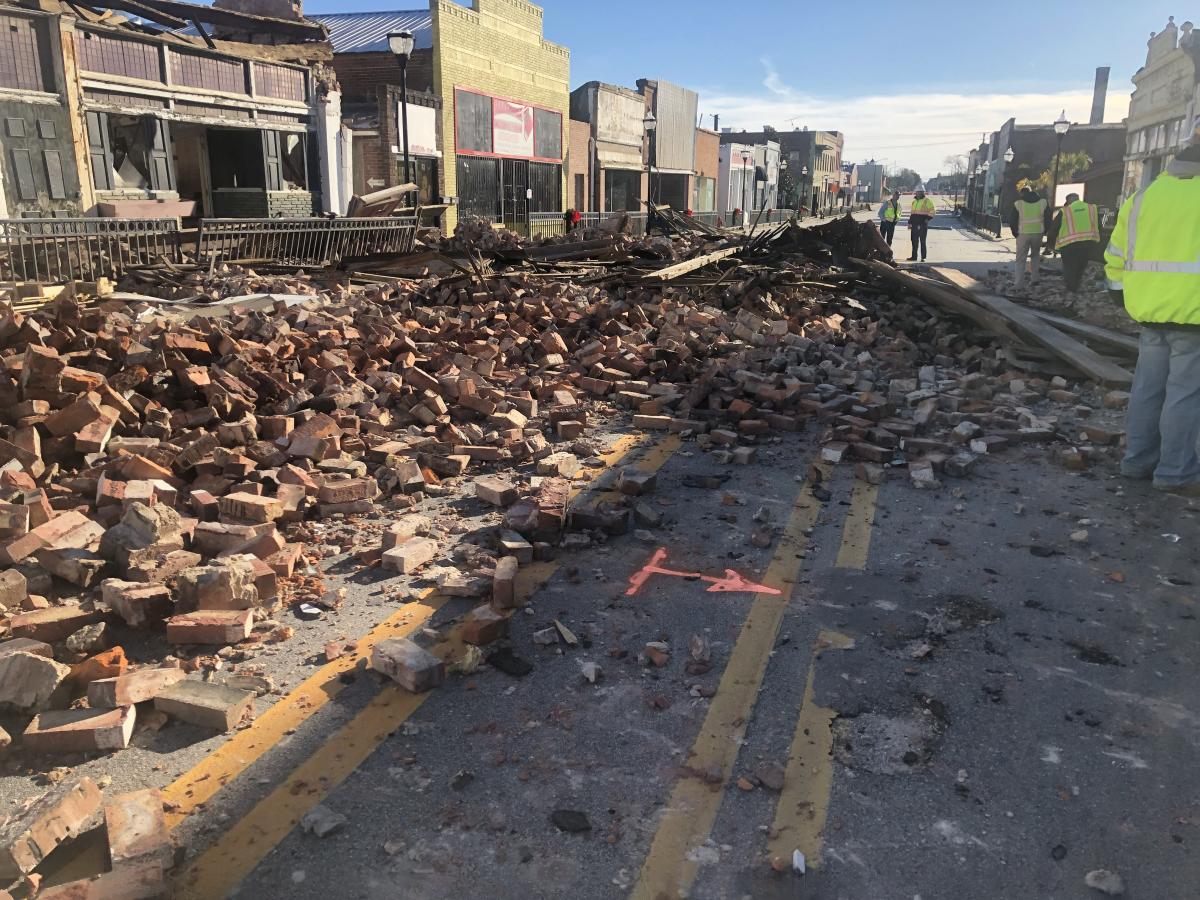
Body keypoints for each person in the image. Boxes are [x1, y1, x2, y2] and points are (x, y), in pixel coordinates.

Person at [1105, 120, 1200, 496]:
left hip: (1148, 311)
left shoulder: (1142, 198)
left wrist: (1120, 294)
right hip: (1193, 315)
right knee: (1184, 393)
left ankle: (1137, 461)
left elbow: (1115, 255)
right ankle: (1174, 472)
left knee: (1146, 389)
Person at [1048, 192, 1101, 294]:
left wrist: (1050, 244)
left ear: (1068, 201)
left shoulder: (1065, 211)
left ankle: (1071, 289)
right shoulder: (1092, 208)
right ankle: (1076, 285)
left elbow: (1054, 229)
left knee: (1069, 267)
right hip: (1087, 243)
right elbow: (1098, 225)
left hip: (1069, 245)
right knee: (1081, 265)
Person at [1009, 184, 1050, 291]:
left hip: (1023, 234)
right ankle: (1034, 279)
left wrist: (1015, 234)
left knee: (1020, 259)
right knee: (1035, 256)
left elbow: (1012, 220)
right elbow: (1048, 218)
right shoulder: (1043, 203)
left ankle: (1018, 284)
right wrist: (1044, 231)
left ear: (1022, 193)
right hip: (1038, 233)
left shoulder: (1018, 204)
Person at [907, 187, 936, 261]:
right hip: (914, 224)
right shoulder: (914, 202)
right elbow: (912, 213)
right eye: (917, 192)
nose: (918, 193)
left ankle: (923, 257)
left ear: (923, 193)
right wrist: (909, 223)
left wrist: (927, 220)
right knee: (914, 241)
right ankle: (914, 257)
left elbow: (932, 211)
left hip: (922, 224)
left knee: (922, 241)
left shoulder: (927, 201)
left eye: (920, 192)